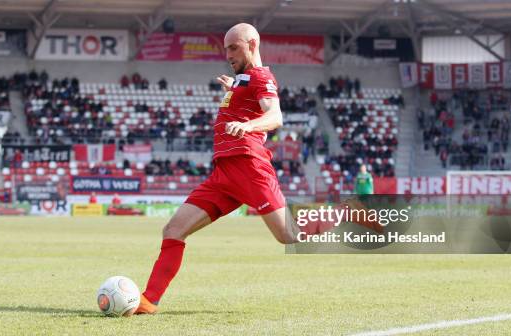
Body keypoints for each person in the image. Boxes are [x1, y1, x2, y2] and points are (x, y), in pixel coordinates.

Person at [134, 23, 381, 315]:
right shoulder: (243, 80)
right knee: (173, 229)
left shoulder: (261, 76)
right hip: (223, 173)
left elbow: (275, 116)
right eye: (225, 48)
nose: (228, 54)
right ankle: (149, 301)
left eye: (234, 47)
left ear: (252, 44)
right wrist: (234, 91)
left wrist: (247, 125)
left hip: (249, 167)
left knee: (288, 235)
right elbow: (246, 101)